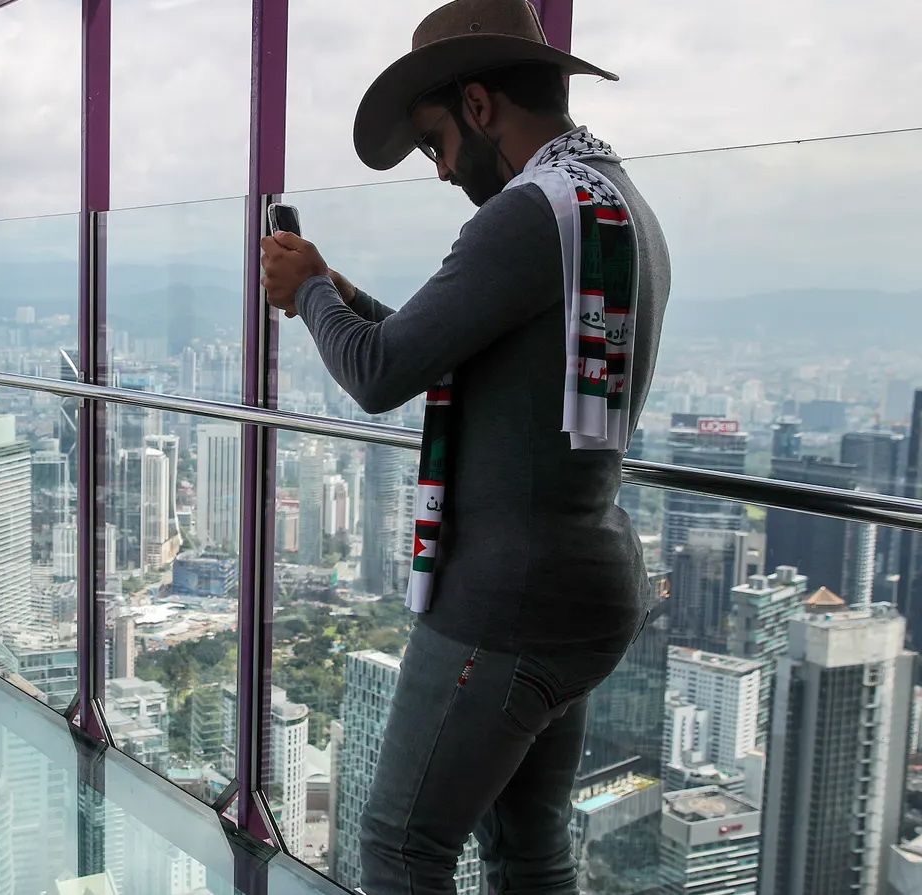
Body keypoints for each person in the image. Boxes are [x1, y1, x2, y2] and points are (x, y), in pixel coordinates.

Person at [258, 1, 669, 891]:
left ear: (479, 105)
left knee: (402, 846)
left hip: (507, 601)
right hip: (584, 587)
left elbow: (378, 372)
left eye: (435, 141)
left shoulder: (528, 214)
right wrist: (334, 290)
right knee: (527, 848)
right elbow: (437, 346)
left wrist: (309, 292)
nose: (441, 170)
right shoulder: (608, 202)